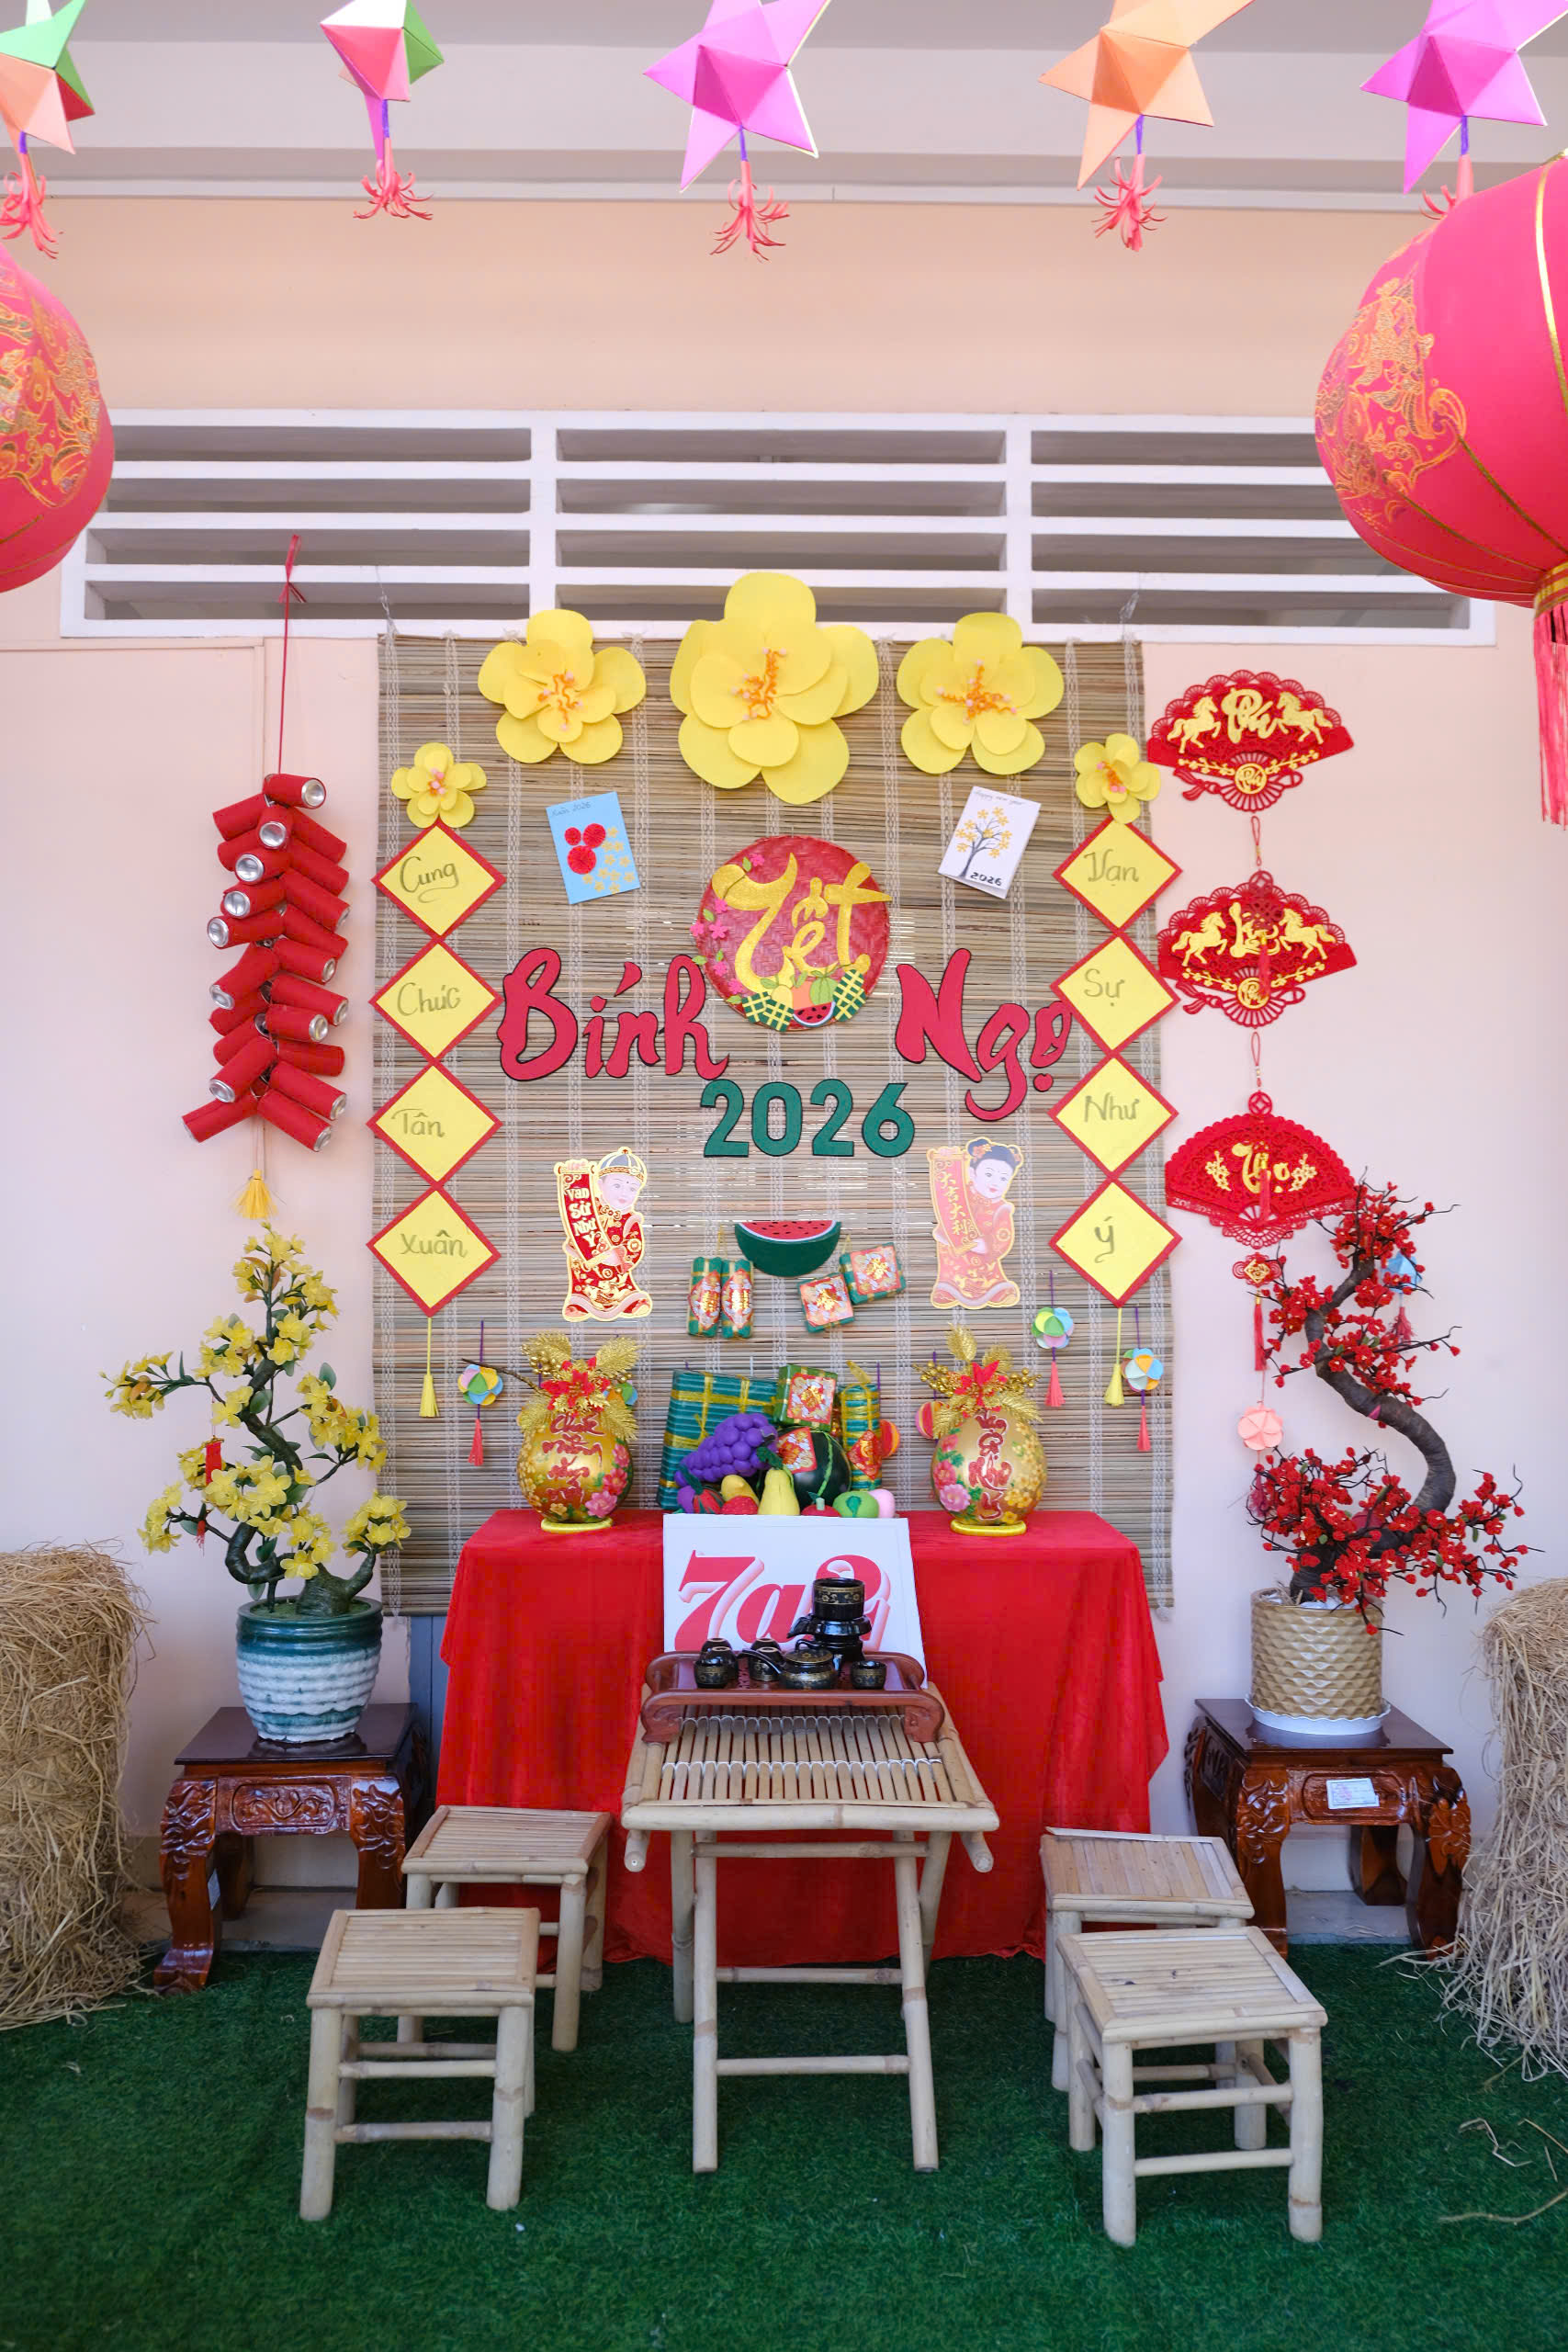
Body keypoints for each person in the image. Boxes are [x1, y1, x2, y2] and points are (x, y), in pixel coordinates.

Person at [557, 1147, 653, 1320]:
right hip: (586, 1266)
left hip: (614, 1271)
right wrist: (575, 1175)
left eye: (632, 1189)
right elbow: (575, 1197)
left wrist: (618, 1256)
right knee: (583, 1280)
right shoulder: (589, 1206)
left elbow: (634, 1246)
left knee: (621, 1289)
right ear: (600, 1185)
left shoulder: (630, 1220)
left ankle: (628, 1303)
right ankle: (579, 1303)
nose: (624, 1193)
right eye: (617, 1185)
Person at [927, 1139, 1022, 1309]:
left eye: (1003, 1178)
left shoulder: (1001, 1209)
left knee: (989, 1281)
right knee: (951, 1273)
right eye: (989, 1174)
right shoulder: (959, 1195)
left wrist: (987, 1245)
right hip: (954, 1259)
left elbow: (1004, 1235)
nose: (995, 1182)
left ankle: (994, 1290)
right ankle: (948, 1289)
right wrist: (946, 1161)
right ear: (972, 1172)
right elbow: (946, 1187)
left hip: (984, 1266)